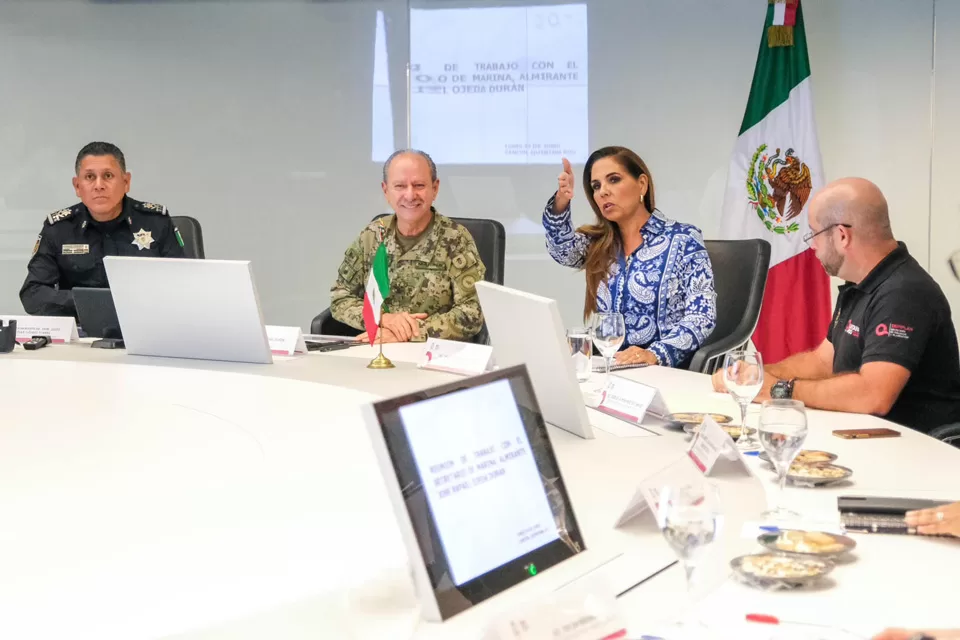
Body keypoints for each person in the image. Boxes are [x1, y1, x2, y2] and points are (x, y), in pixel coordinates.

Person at [712, 177, 960, 433]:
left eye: (814, 234)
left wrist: (780, 390)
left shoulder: (904, 292)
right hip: (865, 434)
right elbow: (823, 362)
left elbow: (873, 395)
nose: (812, 247)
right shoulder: (859, 283)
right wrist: (756, 376)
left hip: (912, 446)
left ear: (842, 235)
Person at [542, 147, 716, 368]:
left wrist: (655, 353)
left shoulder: (683, 239)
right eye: (596, 186)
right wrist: (561, 201)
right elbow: (562, 250)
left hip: (663, 371)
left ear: (641, 184)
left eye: (613, 180)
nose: (603, 192)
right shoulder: (599, 244)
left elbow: (702, 316)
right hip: (610, 368)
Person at [329, 149, 485, 343]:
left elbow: (471, 313)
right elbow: (340, 297)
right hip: (379, 349)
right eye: (400, 186)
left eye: (419, 185)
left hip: (434, 352)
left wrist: (409, 332)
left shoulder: (455, 239)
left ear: (435, 188)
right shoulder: (372, 236)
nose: (410, 195)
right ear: (386, 191)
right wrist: (383, 319)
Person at [20, 141, 185, 318]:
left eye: (108, 175)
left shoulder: (157, 223)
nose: (99, 185)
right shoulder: (59, 229)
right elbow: (32, 294)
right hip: (82, 327)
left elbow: (184, 285)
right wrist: (90, 303)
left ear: (126, 182)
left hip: (145, 323)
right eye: (90, 177)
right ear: (77, 186)